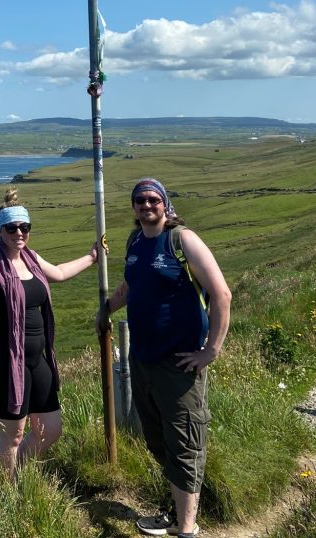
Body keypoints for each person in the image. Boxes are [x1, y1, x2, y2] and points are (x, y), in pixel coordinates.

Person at [99, 178, 231, 538]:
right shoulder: (135, 241)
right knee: (158, 439)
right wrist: (106, 309)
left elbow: (221, 293)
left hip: (179, 363)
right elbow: (131, 285)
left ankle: (186, 529)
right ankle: (175, 514)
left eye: (153, 199)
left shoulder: (181, 240)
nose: (146, 205)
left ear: (165, 204)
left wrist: (211, 350)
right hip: (142, 358)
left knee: (184, 441)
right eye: (139, 200)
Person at [0, 188, 98, 480]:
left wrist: (91, 258)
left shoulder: (32, 259)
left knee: (50, 429)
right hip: (4, 359)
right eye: (11, 228)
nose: (18, 233)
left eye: (24, 227)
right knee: (13, 434)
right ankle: (6, 493)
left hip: (39, 358)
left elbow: (60, 273)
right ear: (0, 230)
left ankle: (16, 474)